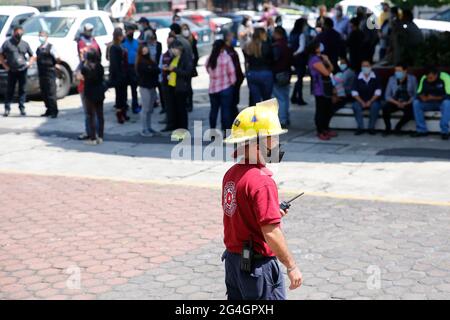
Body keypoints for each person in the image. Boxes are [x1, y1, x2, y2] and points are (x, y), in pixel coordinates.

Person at [221, 100, 303, 300]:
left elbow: (243, 215)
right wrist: (291, 266)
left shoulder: (230, 174)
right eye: (272, 138)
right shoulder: (262, 182)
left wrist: (272, 211)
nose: (275, 143)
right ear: (259, 142)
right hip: (257, 268)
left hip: (233, 263)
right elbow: (271, 232)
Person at [0, 26, 35, 117]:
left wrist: (29, 63)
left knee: (22, 89)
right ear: (14, 32)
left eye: (21, 33)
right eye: (18, 33)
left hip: (23, 69)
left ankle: (22, 107)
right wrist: (5, 65)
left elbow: (32, 56)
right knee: (10, 90)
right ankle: (7, 108)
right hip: (12, 70)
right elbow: (1, 55)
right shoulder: (7, 43)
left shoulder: (25, 44)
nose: (19, 35)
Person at [162, 40, 193, 140]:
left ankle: (183, 131)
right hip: (173, 87)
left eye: (173, 49)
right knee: (175, 110)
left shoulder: (186, 58)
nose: (172, 51)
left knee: (181, 112)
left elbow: (187, 72)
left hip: (181, 88)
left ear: (179, 48)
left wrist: (173, 69)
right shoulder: (175, 57)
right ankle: (176, 130)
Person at [76, 23, 101, 140]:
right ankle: (90, 132)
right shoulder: (81, 42)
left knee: (95, 112)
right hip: (86, 89)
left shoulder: (94, 41)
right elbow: (78, 76)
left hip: (94, 88)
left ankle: (95, 132)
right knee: (89, 112)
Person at [308, 40, 336, 141]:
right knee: (321, 110)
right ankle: (320, 130)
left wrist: (327, 61)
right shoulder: (314, 60)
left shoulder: (321, 58)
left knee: (328, 109)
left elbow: (331, 68)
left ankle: (326, 128)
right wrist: (327, 63)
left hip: (326, 87)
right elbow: (326, 73)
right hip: (320, 88)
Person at [412, 68, 450, 140]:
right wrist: (422, 97)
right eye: (428, 78)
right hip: (428, 103)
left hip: (441, 103)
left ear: (436, 75)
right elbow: (418, 93)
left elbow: (448, 96)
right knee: (416, 103)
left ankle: (445, 131)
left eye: (431, 78)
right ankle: (421, 130)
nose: (429, 80)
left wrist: (434, 98)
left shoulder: (445, 77)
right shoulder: (424, 78)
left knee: (447, 103)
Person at [206, 40, 236, 132]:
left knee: (213, 111)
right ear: (222, 47)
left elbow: (208, 70)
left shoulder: (209, 59)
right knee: (225, 110)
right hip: (225, 87)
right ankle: (226, 131)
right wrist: (233, 83)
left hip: (213, 88)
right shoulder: (226, 58)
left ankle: (212, 131)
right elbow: (232, 72)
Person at [382, 63, 417, 136]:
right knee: (385, 108)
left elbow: (415, 94)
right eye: (396, 71)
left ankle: (398, 127)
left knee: (410, 112)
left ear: (405, 71)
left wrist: (408, 102)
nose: (397, 73)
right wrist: (396, 103)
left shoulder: (412, 79)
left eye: (399, 71)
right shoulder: (391, 79)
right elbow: (387, 96)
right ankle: (387, 128)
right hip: (395, 101)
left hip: (407, 102)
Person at [351, 60, 383, 135]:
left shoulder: (376, 76)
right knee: (355, 106)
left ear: (371, 67)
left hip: (373, 100)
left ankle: (371, 128)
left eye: (367, 66)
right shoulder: (357, 76)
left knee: (375, 106)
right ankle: (360, 127)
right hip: (360, 100)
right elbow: (354, 92)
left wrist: (370, 101)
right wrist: (362, 102)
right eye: (363, 66)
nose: (365, 68)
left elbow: (378, 92)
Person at [244, 28, 273, 106]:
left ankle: (257, 117)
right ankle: (265, 117)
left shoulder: (248, 45)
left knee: (255, 101)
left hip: (252, 73)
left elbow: (246, 60)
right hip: (265, 73)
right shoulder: (266, 45)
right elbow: (272, 58)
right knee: (266, 101)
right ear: (262, 34)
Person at [81, 50, 105, 146]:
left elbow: (82, 76)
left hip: (90, 93)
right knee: (100, 115)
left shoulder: (86, 68)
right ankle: (101, 136)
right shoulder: (100, 67)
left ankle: (93, 138)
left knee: (91, 116)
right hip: (99, 92)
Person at [136, 44, 160, 137]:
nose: (145, 51)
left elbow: (157, 70)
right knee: (145, 109)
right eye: (143, 50)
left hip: (152, 86)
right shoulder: (140, 62)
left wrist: (152, 69)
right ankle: (144, 129)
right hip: (145, 87)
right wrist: (152, 70)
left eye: (146, 49)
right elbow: (147, 71)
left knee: (150, 109)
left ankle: (149, 127)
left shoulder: (150, 61)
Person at [272, 26, 293, 128]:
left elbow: (274, 60)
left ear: (277, 34)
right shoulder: (288, 45)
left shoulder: (277, 46)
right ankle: (286, 118)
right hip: (286, 73)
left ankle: (282, 119)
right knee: (285, 97)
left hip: (278, 73)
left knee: (280, 98)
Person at [36, 30, 59, 118]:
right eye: (40, 35)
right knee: (44, 92)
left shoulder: (51, 47)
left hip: (50, 72)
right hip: (42, 73)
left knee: (51, 92)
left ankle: (54, 110)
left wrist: (56, 66)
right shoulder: (39, 48)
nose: (41, 37)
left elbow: (57, 58)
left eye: (42, 36)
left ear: (46, 37)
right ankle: (48, 109)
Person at [289, 18, 312, 106]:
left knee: (299, 78)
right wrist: (296, 53)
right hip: (300, 58)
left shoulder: (292, 33)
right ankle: (299, 98)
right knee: (300, 79)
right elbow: (302, 47)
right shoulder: (301, 35)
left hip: (294, 58)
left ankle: (294, 96)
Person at [109, 27, 129, 124]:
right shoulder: (113, 47)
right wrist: (119, 75)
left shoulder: (121, 46)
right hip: (118, 75)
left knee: (124, 95)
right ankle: (119, 114)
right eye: (121, 35)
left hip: (124, 74)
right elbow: (114, 64)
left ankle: (124, 112)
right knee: (119, 96)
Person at [224, 32, 244, 119]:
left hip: (236, 80)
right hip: (231, 82)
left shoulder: (231, 49)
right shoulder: (226, 51)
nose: (233, 39)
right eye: (232, 37)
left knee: (233, 103)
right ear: (227, 38)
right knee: (231, 104)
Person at [181, 23, 199, 113]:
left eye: (186, 28)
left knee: (188, 86)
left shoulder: (192, 40)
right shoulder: (181, 41)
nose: (185, 31)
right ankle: (186, 103)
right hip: (183, 67)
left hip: (190, 66)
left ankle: (189, 104)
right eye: (183, 29)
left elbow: (196, 54)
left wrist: (194, 64)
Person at [122, 24, 140, 114]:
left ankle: (135, 105)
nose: (131, 32)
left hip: (134, 67)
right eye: (129, 30)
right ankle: (124, 106)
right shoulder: (122, 43)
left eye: (132, 30)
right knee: (124, 89)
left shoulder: (137, 42)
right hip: (125, 68)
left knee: (134, 88)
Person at [160, 35, 176, 131]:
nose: (169, 45)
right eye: (168, 42)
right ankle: (170, 123)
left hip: (175, 83)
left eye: (171, 42)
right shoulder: (165, 55)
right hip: (166, 82)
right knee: (168, 104)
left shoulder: (177, 55)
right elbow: (161, 66)